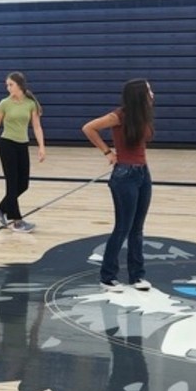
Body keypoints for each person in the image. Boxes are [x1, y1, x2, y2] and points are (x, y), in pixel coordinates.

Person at [80, 78, 155, 292]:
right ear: (139, 94)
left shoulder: (142, 116)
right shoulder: (118, 116)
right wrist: (107, 152)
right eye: (149, 90)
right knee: (123, 227)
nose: (152, 94)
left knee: (137, 229)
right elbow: (89, 128)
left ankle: (137, 276)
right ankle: (107, 276)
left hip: (143, 173)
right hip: (124, 175)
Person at [0, 71, 46, 233]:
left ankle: (0, 209)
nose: (8, 87)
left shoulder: (31, 104)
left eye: (11, 84)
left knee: (23, 184)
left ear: (20, 85)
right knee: (12, 184)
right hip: (7, 145)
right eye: (7, 85)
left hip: (22, 145)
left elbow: (36, 126)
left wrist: (41, 146)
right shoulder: (4, 104)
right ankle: (17, 221)